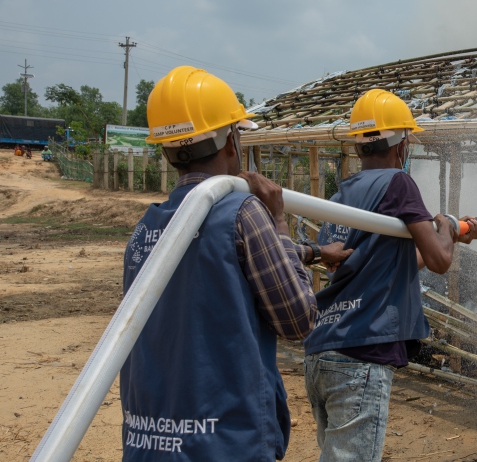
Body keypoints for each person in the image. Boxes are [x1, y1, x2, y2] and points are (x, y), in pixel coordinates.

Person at [119, 65, 351, 461]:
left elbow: (219, 272)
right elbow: (298, 320)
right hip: (224, 440)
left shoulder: (148, 228)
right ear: (231, 141)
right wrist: (278, 219)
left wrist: (308, 252)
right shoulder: (242, 211)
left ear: (167, 149)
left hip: (151, 440)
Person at [303, 89, 477, 462]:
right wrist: (449, 228)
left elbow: (388, 263)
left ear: (357, 147)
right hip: (362, 352)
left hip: (323, 350)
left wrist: (451, 238)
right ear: (402, 143)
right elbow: (438, 261)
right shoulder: (398, 184)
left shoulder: (341, 197)